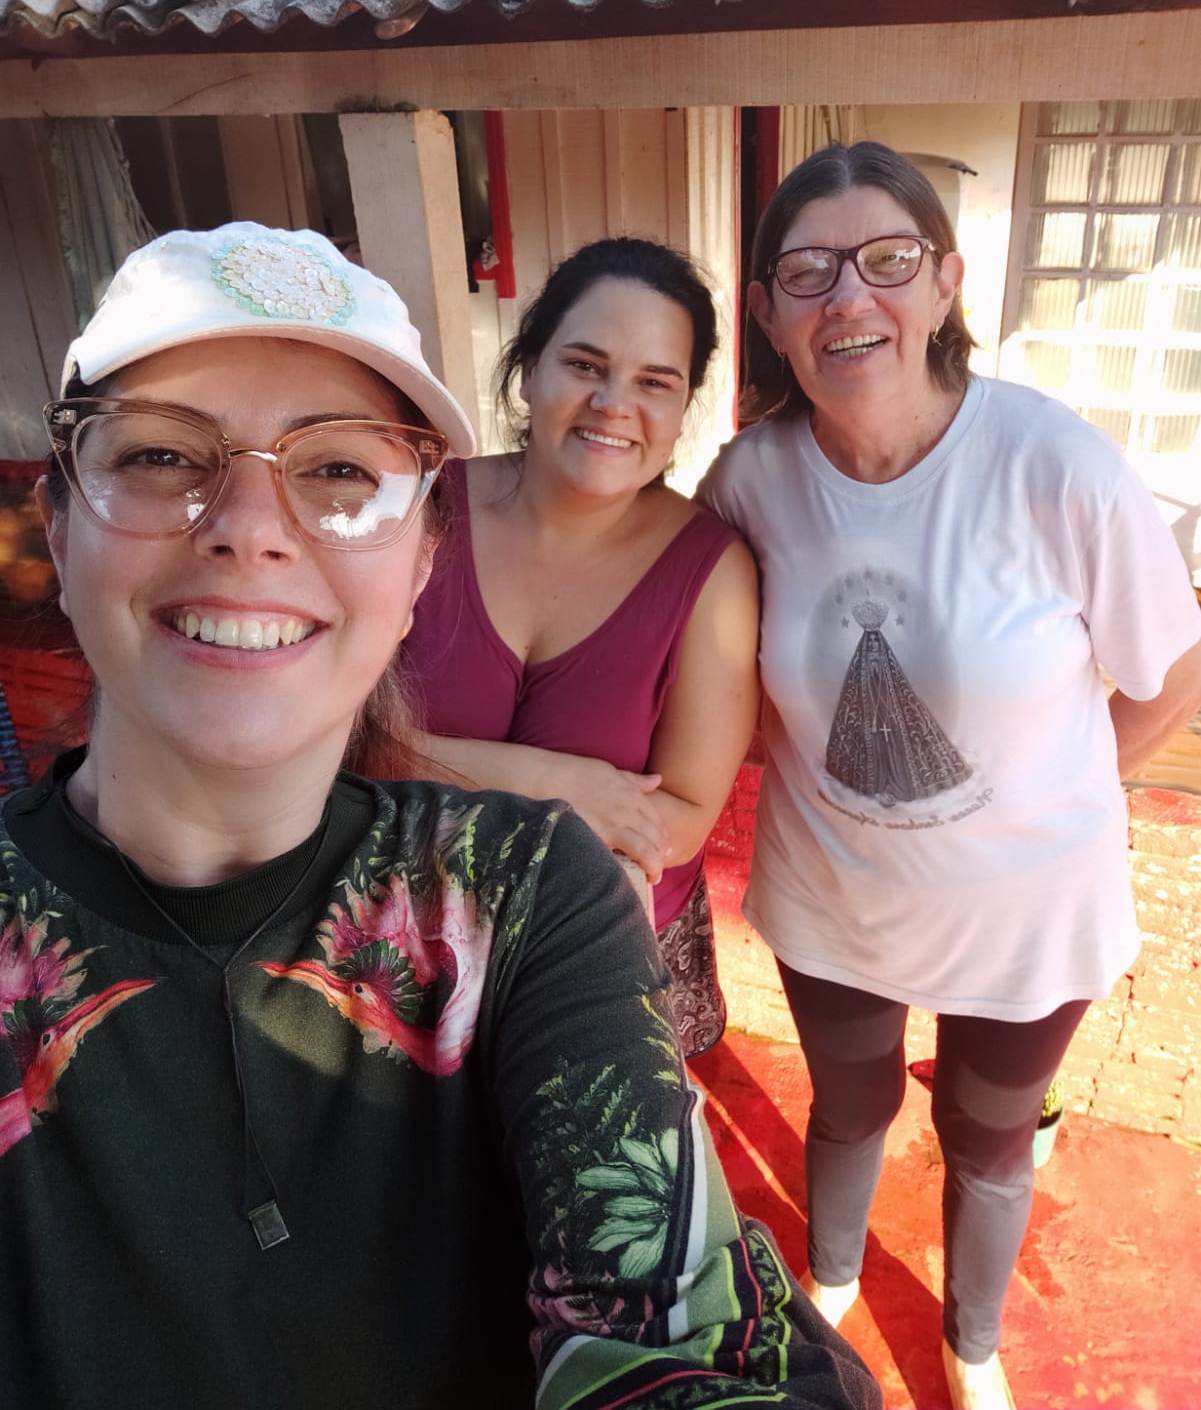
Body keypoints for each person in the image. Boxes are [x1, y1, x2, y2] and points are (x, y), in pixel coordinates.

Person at [0, 222, 882, 1410]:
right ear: (56, 526)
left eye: (337, 471)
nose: (248, 525)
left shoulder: (526, 902)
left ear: (420, 561)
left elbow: (664, 1327)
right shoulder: (470, 509)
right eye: (161, 454)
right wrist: (559, 778)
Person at [698, 143, 1201, 1410]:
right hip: (835, 898)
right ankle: (828, 1286)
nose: (846, 297)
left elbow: (1171, 668)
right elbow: (712, 668)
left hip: (1027, 910)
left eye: (886, 260)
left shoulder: (1051, 463)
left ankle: (971, 1343)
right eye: (806, 272)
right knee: (848, 1105)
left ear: (944, 284)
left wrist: (1063, 794)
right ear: (766, 311)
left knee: (986, 1135)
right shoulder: (751, 481)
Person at [401, 237, 760, 1058]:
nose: (612, 404)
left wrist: (412, 759)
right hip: (396, 943)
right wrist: (549, 784)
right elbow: (318, 743)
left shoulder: (710, 571)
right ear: (530, 369)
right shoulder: (419, 515)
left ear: (683, 406)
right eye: (584, 365)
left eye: (654, 382)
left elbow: (677, 822)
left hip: (597, 955)